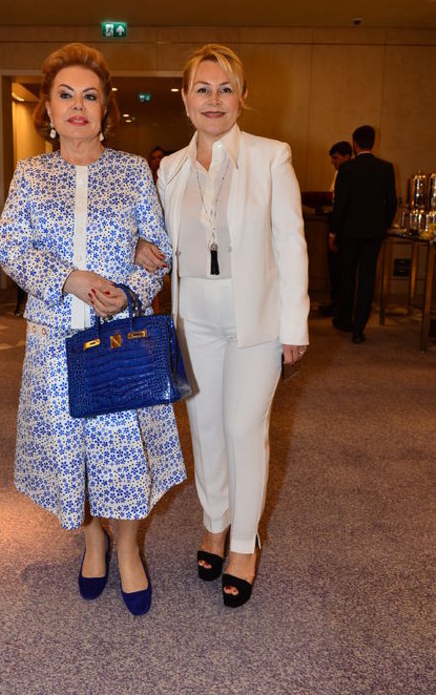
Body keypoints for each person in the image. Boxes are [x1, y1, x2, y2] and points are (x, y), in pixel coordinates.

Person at [0, 42, 186, 616]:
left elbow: (160, 250)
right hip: (54, 340)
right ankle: (92, 540)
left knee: (123, 451)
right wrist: (69, 279)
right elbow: (11, 246)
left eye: (90, 96)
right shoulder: (30, 175)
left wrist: (130, 289)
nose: (78, 106)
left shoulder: (131, 171)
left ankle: (127, 548)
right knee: (68, 448)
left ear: (106, 109)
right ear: (49, 111)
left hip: (118, 340)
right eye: (66, 95)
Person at [135, 43, 309, 608]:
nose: (214, 100)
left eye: (226, 88)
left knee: (242, 427)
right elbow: (158, 238)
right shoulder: (170, 168)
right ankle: (214, 522)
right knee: (205, 427)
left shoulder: (270, 157)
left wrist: (295, 324)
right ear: (185, 100)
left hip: (254, 316)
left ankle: (242, 542)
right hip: (195, 318)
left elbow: (291, 242)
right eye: (203, 89)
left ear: (242, 98)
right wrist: (139, 248)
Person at [329, 125, 397, 343]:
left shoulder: (347, 169)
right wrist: (383, 225)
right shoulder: (386, 168)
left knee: (348, 275)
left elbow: (340, 204)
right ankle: (359, 329)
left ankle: (345, 320)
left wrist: (333, 231)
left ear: (355, 144)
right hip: (374, 233)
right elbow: (392, 203)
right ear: (373, 143)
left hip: (350, 232)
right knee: (367, 279)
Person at [319, 140, 353, 317]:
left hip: (342, 228)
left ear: (347, 156)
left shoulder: (347, 173)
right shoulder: (339, 173)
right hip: (340, 225)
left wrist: (333, 233)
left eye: (336, 158)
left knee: (339, 269)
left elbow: (340, 204)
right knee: (336, 269)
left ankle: (339, 305)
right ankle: (337, 302)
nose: (333, 162)